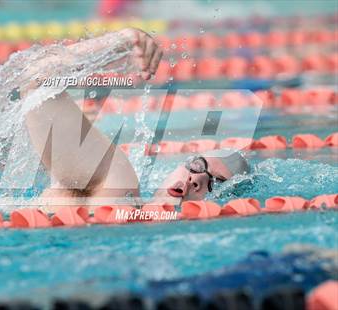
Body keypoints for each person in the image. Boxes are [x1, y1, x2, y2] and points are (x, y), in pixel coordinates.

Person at [21, 28, 250, 209]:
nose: (196, 179)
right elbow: (38, 81)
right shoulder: (119, 186)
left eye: (216, 183)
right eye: (198, 165)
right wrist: (117, 43)